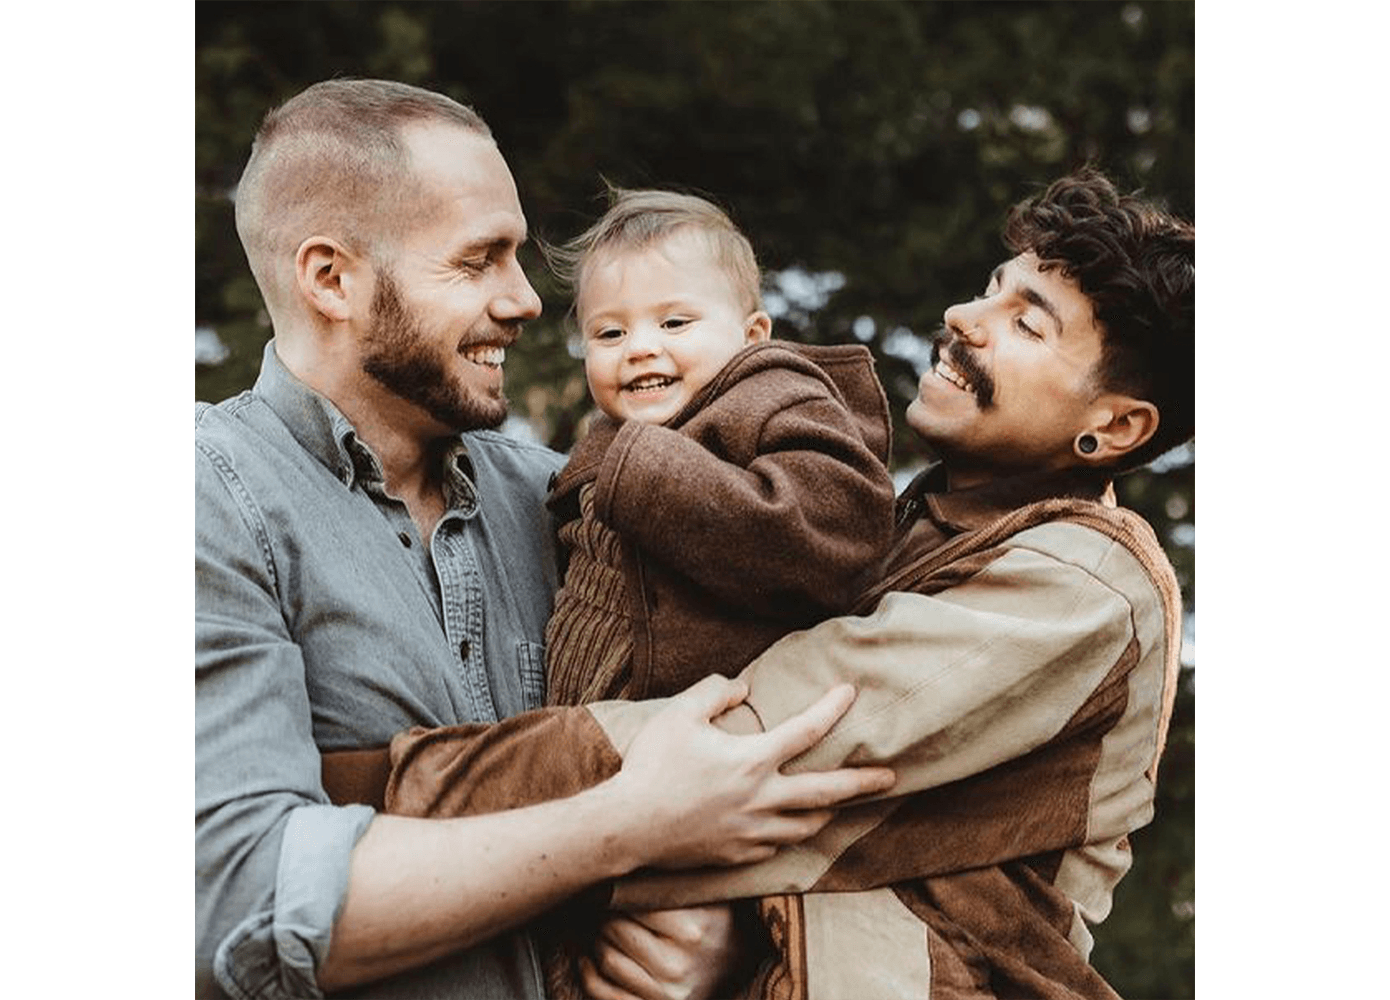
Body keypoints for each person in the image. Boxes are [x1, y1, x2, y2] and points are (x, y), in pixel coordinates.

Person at [384, 168, 1194, 999]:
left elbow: (760, 744)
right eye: (991, 289)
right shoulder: (924, 527)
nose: (962, 320)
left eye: (1026, 323)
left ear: (1117, 426)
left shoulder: (1087, 581)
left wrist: (379, 789)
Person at [194, 78, 896, 1000]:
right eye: (479, 260)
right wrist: (634, 824)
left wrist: (725, 939)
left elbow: (742, 734)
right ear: (332, 280)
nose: (527, 301)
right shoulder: (206, 496)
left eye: (518, 257)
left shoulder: (578, 496)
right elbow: (235, 900)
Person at [541, 187, 896, 707]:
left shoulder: (776, 398)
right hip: (585, 726)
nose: (640, 348)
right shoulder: (605, 437)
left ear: (752, 335)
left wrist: (655, 474)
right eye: (610, 333)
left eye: (674, 323)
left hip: (710, 722)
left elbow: (836, 531)